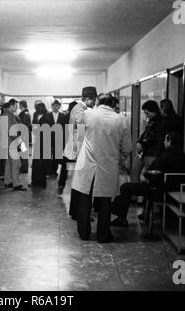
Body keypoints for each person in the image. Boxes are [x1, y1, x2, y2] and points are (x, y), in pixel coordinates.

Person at [71, 96, 132, 243]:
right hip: (108, 164)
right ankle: (103, 235)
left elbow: (76, 125)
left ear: (98, 103)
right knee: (105, 201)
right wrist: (121, 156)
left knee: (84, 198)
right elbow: (127, 148)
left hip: (87, 163)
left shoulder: (88, 115)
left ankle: (84, 233)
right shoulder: (121, 120)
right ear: (113, 105)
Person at [110, 132, 185, 226]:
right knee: (126, 188)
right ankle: (117, 212)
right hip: (165, 186)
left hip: (158, 189)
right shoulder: (178, 154)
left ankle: (118, 214)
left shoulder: (168, 155)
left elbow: (154, 169)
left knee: (125, 187)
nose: (164, 142)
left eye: (166, 140)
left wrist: (146, 177)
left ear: (170, 142)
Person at [67, 86, 97, 220]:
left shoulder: (82, 108)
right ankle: (80, 212)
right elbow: (83, 124)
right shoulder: (80, 109)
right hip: (80, 149)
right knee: (82, 183)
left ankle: (75, 211)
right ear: (87, 98)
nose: (95, 103)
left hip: (79, 148)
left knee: (78, 182)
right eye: (93, 100)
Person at [130, 100, 164, 183]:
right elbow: (145, 133)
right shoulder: (151, 122)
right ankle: (134, 192)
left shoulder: (160, 123)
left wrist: (142, 144)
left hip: (152, 153)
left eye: (147, 113)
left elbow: (155, 139)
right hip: (145, 151)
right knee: (134, 171)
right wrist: (139, 142)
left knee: (148, 176)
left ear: (153, 111)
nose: (146, 116)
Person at [0, 98, 27, 191]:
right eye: (15, 106)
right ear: (11, 106)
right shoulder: (7, 116)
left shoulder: (8, 115)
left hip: (7, 142)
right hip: (11, 142)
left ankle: (7, 181)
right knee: (15, 164)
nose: (17, 108)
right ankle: (16, 183)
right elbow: (11, 132)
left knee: (8, 163)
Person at [45, 100, 68, 194]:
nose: (55, 107)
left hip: (59, 137)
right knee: (49, 153)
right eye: (54, 106)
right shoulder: (48, 115)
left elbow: (64, 127)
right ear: (52, 106)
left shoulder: (63, 116)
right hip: (49, 137)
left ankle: (54, 170)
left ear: (59, 107)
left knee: (57, 154)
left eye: (57, 106)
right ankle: (50, 170)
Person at [30, 102, 49, 188]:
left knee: (41, 163)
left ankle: (41, 182)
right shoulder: (36, 117)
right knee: (37, 163)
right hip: (38, 141)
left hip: (43, 142)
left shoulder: (45, 118)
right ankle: (36, 181)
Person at [18, 100, 32, 174]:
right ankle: (24, 167)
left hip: (23, 136)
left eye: (19, 105)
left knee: (23, 152)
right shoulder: (26, 113)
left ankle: (24, 168)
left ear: (21, 105)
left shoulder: (24, 114)